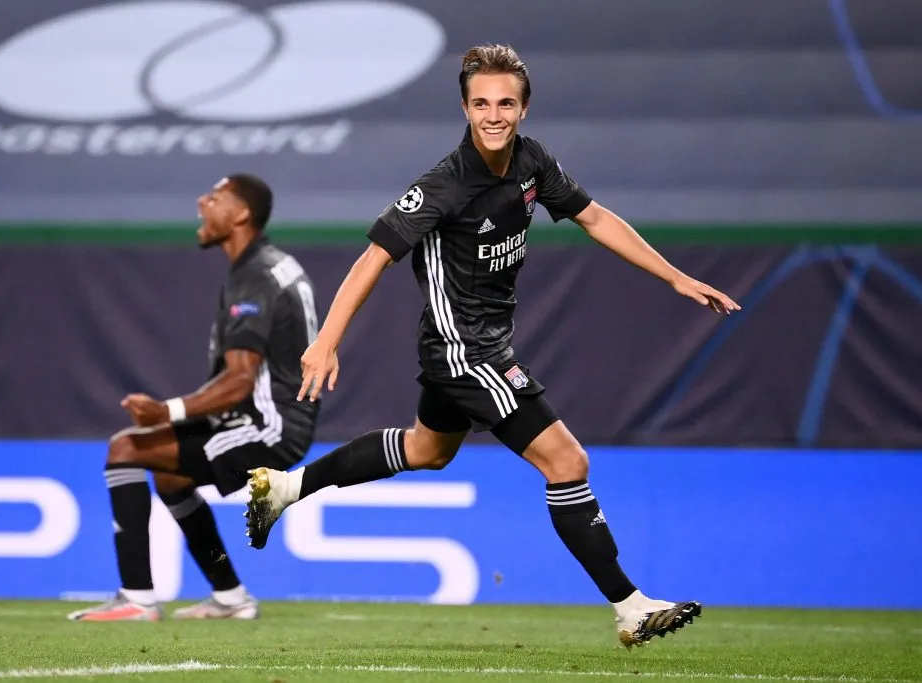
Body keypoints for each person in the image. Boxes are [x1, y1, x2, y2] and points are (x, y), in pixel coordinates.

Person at [243, 45, 741, 647]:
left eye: (505, 102)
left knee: (428, 450)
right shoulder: (443, 186)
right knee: (568, 463)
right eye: (481, 103)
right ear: (465, 108)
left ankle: (287, 488)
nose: (493, 114)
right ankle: (630, 605)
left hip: (479, 346)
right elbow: (372, 258)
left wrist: (676, 277)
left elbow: (594, 217)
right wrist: (326, 341)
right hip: (464, 354)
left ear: (524, 109)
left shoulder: (532, 163)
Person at [68, 173, 321, 621]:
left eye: (215, 196)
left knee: (126, 447)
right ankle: (229, 596)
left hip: (268, 424)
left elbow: (241, 380)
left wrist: (169, 410)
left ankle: (137, 598)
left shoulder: (254, 275)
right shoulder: (270, 264)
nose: (201, 202)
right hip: (270, 415)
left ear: (241, 213)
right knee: (170, 477)